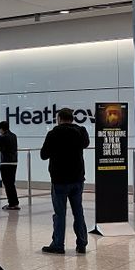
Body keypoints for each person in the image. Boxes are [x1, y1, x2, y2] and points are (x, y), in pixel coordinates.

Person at [40, 107, 90, 254]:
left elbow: (44, 155)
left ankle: (58, 244)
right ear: (72, 118)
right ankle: (82, 244)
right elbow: (85, 144)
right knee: (78, 212)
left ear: (59, 118)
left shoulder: (53, 133)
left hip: (59, 180)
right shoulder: (81, 131)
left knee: (60, 213)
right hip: (77, 178)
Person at [0, 121, 20, 211]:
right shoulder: (14, 136)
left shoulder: (2, 137)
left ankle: (12, 203)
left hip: (5, 163)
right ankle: (15, 203)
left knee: (7, 184)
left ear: (1, 129)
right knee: (11, 184)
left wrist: (1, 148)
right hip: (14, 162)